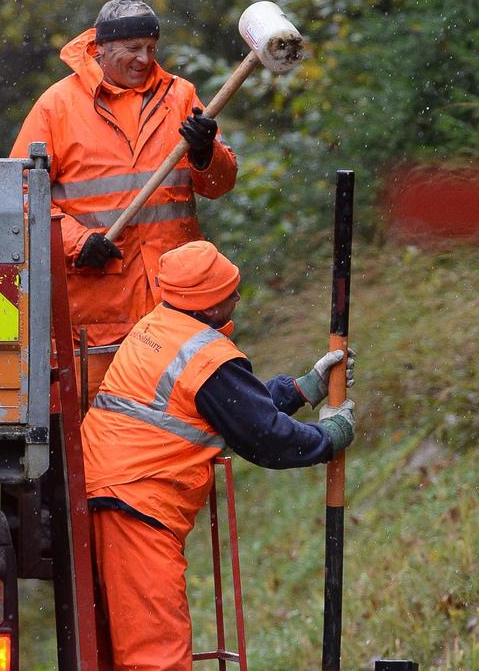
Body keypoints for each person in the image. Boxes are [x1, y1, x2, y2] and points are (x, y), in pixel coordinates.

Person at [81, 241, 356, 669]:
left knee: (123, 652)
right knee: (156, 658)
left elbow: (228, 410)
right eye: (231, 293)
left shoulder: (159, 326)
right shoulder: (207, 356)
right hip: (136, 504)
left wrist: (301, 389)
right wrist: (330, 435)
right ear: (209, 307)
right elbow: (264, 438)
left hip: (112, 494)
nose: (238, 299)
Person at [10, 0, 238, 394]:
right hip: (99, 310)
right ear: (101, 49)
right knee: (96, 426)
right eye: (133, 49)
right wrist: (79, 242)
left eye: (151, 48)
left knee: (177, 421)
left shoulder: (180, 98)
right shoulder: (57, 107)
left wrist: (206, 154)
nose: (144, 59)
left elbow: (220, 185)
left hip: (178, 304)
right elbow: (20, 194)